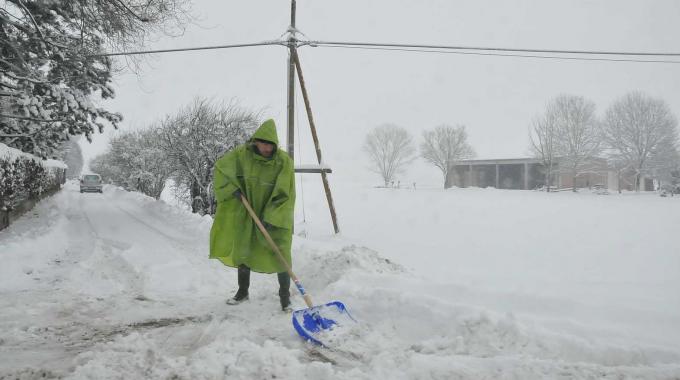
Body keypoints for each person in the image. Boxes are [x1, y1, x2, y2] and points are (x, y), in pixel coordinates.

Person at [209, 119, 296, 311]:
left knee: (281, 252)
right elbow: (222, 169)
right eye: (263, 143)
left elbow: (286, 194)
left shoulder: (283, 163)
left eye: (271, 144)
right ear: (256, 141)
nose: (267, 148)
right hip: (246, 210)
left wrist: (272, 216)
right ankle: (242, 292)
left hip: (275, 214)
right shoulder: (242, 156)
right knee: (243, 249)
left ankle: (285, 297)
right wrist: (232, 189)